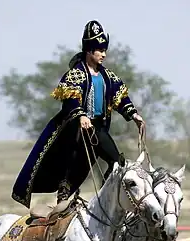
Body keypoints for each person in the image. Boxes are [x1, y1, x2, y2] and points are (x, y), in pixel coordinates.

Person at [11, 20, 145, 211]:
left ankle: (107, 199)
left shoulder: (108, 76)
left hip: (97, 128)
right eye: (100, 50)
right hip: (76, 128)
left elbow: (120, 98)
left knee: (117, 162)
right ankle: (62, 202)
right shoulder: (76, 74)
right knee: (72, 167)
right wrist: (81, 115)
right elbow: (70, 101)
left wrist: (134, 115)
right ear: (89, 50)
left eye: (104, 50)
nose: (104, 54)